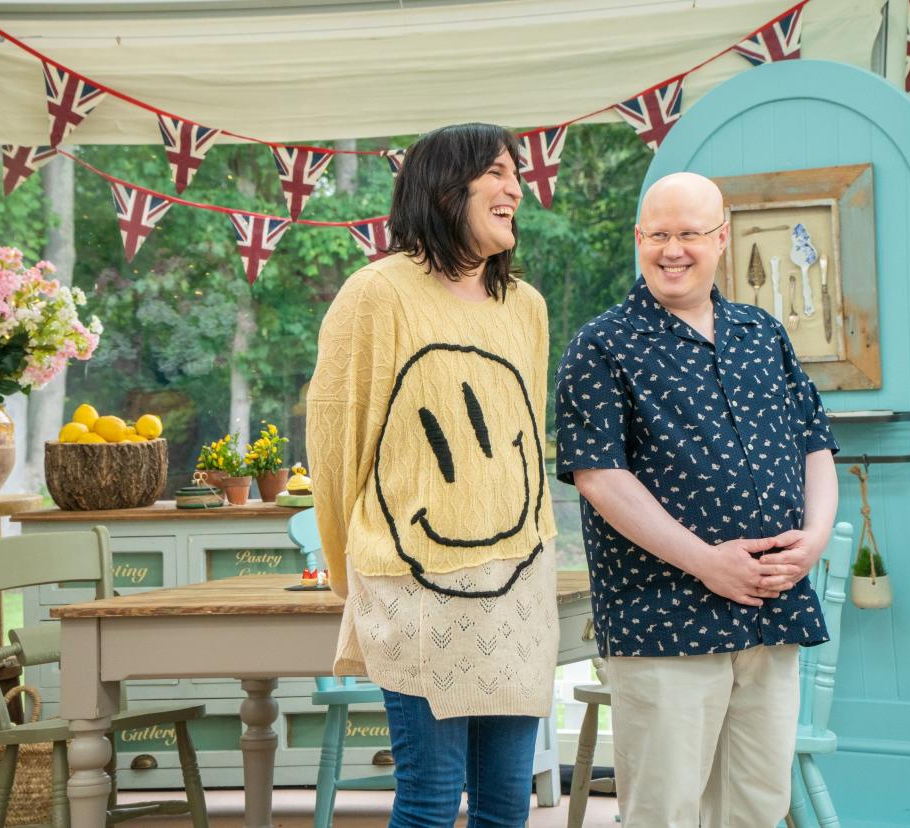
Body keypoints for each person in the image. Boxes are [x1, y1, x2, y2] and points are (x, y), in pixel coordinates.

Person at [553, 172, 839, 827]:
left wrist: (815, 538)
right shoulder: (601, 346)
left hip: (772, 610)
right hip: (664, 619)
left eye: (689, 234)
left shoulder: (762, 333)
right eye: (658, 235)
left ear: (721, 239)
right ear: (638, 239)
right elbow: (600, 478)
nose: (672, 249)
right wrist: (706, 561)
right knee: (666, 810)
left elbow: (814, 443)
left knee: (756, 809)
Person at [307, 123, 557, 828]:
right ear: (448, 185)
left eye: (518, 175)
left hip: (517, 583)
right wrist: (344, 572)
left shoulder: (526, 307)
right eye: (500, 173)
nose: (517, 188)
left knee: (508, 803)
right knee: (429, 798)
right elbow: (334, 445)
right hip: (416, 584)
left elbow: (527, 444)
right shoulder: (374, 295)